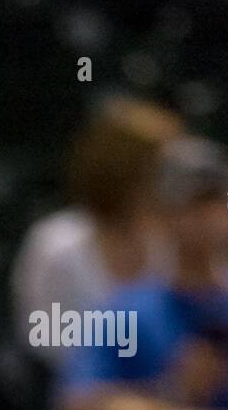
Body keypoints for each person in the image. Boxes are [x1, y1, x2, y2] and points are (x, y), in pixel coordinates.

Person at [57, 137, 228, 410]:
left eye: (213, 201)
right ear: (160, 217)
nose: (204, 217)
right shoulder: (126, 310)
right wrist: (170, 402)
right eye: (188, 204)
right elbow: (75, 407)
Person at [12, 97, 182, 370]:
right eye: (160, 171)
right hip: (77, 393)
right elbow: (42, 336)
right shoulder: (57, 243)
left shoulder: (173, 243)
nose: (172, 183)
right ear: (123, 171)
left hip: (170, 390)